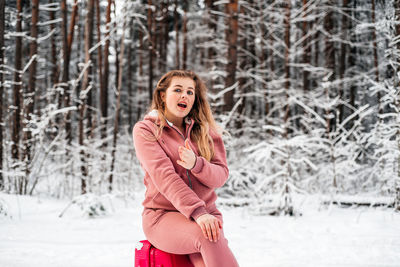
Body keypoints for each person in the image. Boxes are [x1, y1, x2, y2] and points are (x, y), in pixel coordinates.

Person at [132, 70, 239, 267]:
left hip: (207, 216)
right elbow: (164, 176)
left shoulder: (206, 132)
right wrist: (198, 212)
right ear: (163, 95)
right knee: (209, 237)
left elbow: (220, 176)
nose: (185, 96)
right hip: (163, 216)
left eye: (190, 92)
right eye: (178, 90)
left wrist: (196, 164)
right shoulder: (146, 130)